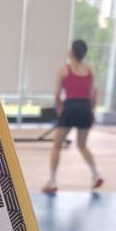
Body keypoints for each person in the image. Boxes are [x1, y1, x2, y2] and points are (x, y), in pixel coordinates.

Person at [43, 39, 103, 195]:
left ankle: (52, 181)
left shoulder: (64, 70)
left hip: (70, 107)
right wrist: (92, 112)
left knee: (57, 146)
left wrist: (59, 110)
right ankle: (96, 174)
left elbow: (57, 95)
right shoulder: (89, 70)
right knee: (82, 146)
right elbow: (94, 93)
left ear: (73, 52)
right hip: (85, 108)